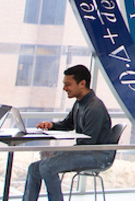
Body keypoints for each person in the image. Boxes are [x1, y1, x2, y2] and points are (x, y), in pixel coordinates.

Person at [22, 65, 114, 201]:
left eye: (68, 84)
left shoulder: (94, 108)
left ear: (82, 84)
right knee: (34, 168)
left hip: (97, 156)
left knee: (47, 167)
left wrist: (59, 152)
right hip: (85, 151)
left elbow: (88, 144)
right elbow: (67, 124)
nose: (64, 88)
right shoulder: (79, 103)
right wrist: (51, 125)